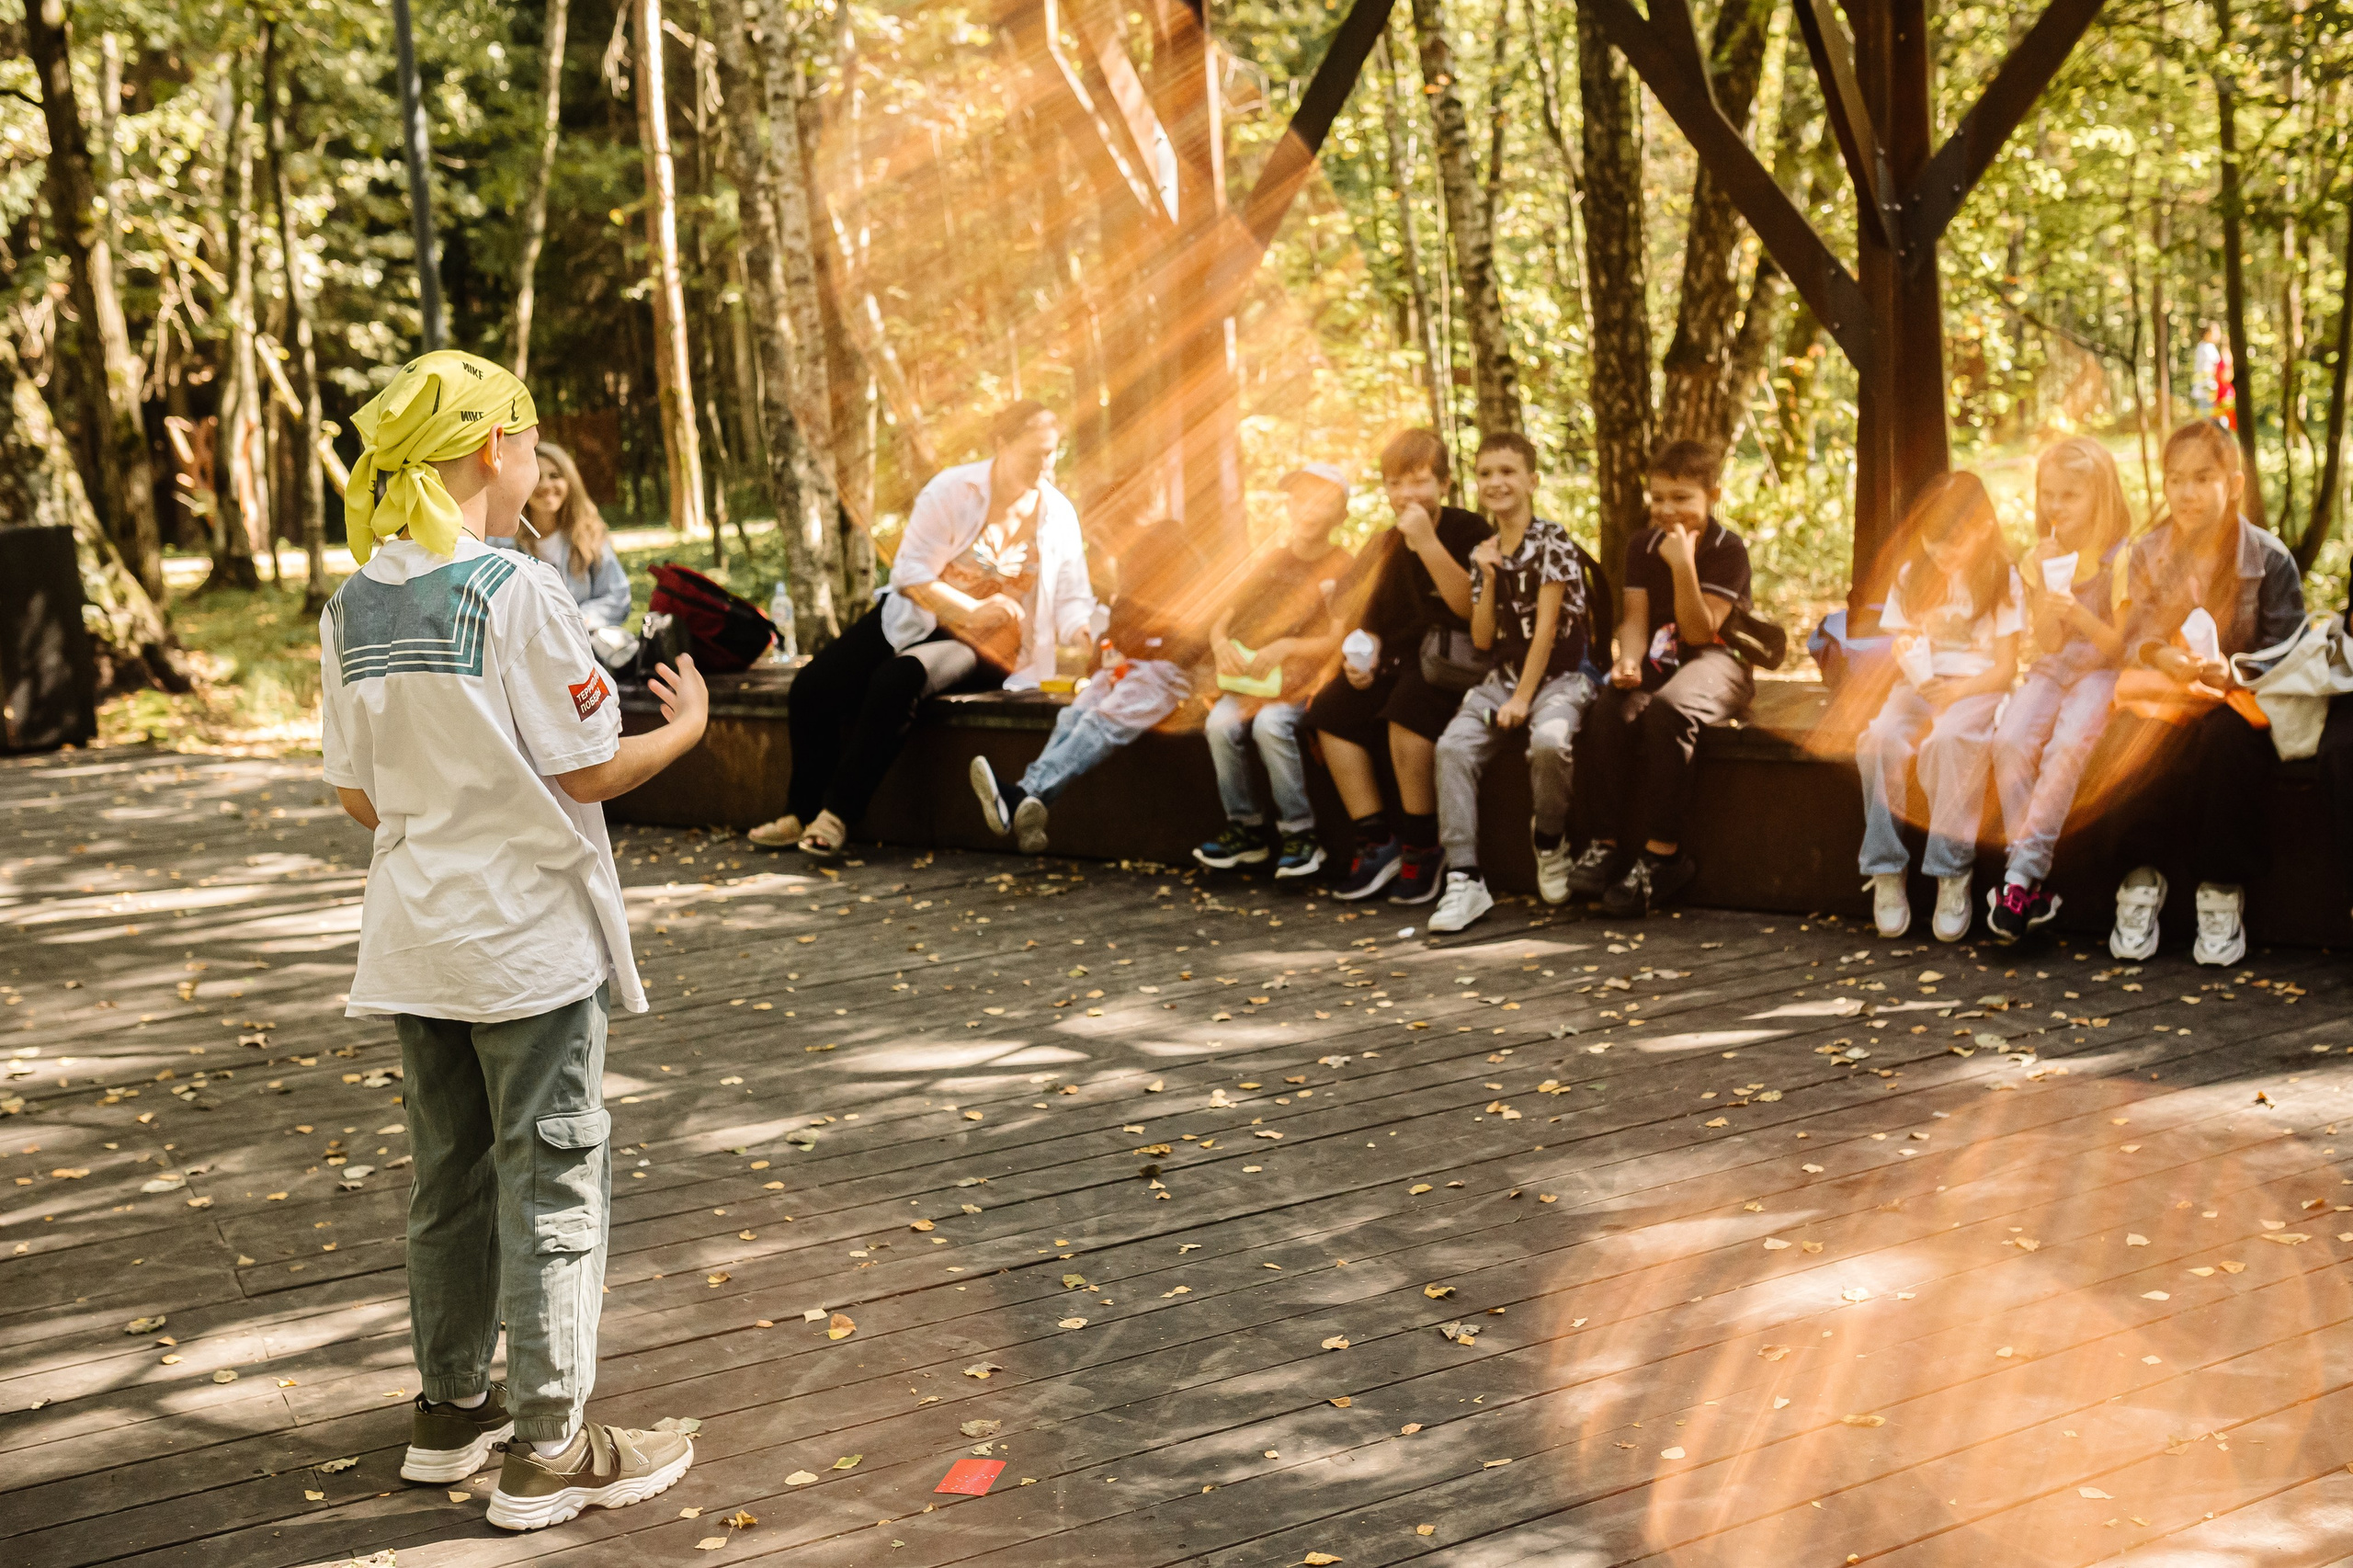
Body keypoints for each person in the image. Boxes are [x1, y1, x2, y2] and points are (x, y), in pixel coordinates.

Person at [318, 351, 707, 1530]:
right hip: (525, 943)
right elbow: (589, 761)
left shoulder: (354, 604)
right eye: (529, 437)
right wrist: (686, 728)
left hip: (417, 936)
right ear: (498, 447)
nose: (535, 460)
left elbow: (358, 796)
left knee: (449, 1175)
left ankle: (451, 1411)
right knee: (552, 1178)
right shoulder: (514, 591)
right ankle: (550, 1444)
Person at [752, 402, 1094, 857]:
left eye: (1053, 453)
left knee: (899, 679)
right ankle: (799, 811)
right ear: (1001, 445)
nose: (1047, 465)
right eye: (1036, 454)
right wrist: (971, 607)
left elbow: (1073, 599)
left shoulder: (1058, 515)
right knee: (812, 686)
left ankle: (836, 816)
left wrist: (1090, 635)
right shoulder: (954, 490)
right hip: (915, 616)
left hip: (991, 644)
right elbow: (911, 575)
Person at [2098, 419, 2303, 964]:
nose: (2186, 493)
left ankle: (2220, 890)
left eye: (2202, 479)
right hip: (2170, 694)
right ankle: (2139, 879)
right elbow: (2135, 632)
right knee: (2130, 736)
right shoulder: (2148, 554)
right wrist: (2162, 656)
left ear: (2233, 484)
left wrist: (2232, 670)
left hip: (2236, 701)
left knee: (2227, 746)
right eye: (2175, 480)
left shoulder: (2270, 559)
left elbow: (2287, 648)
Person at [1567, 438, 1755, 917]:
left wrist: (1683, 565)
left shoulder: (1727, 549)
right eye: (1659, 499)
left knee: (1669, 711)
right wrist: (1627, 661)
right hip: (1660, 656)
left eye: (1683, 499)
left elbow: (1699, 629)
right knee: (1609, 707)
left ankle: (1663, 855)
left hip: (1719, 661)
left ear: (1713, 495)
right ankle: (1606, 842)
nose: (1669, 510)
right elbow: (1635, 618)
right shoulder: (1640, 544)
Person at [1428, 432, 1602, 934]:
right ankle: (1464, 877)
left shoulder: (1553, 541)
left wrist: (1524, 699)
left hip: (1562, 677)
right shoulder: (1484, 549)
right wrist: (1484, 577)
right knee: (1452, 749)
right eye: (1485, 473)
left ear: (1532, 480)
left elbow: (1547, 629)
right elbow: (1482, 640)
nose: (1496, 482)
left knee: (1548, 742)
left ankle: (1550, 842)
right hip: (1503, 676)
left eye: (1507, 471)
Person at [1305, 429, 1489, 903]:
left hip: (1453, 666)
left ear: (1445, 484)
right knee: (1329, 710)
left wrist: (1427, 543)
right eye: (1394, 484)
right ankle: (1376, 841)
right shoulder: (1383, 543)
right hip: (1398, 663)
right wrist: (1358, 657)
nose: (1406, 494)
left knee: (1409, 705)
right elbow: (1367, 619)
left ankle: (1423, 845)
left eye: (1419, 481)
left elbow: (1471, 610)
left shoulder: (1470, 531)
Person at [971, 516, 1210, 853]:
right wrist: (1108, 657)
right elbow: (1114, 635)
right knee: (1073, 716)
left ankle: (1021, 794)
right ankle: (1028, 805)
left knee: (1100, 721)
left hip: (1164, 675)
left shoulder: (1193, 584)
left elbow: (1188, 648)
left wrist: (1140, 655)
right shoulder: (1134, 584)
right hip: (1125, 671)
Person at [1858, 472, 2023, 943]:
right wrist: (1912, 662)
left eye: (1955, 542)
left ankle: (1952, 871)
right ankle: (1886, 867)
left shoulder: (2001, 578)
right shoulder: (1913, 576)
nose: (1943, 554)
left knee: (1949, 742)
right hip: (1920, 684)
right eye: (1934, 541)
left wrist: (1954, 693)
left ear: (1984, 528)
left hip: (1978, 686)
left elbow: (2006, 668)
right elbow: (1900, 641)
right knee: (1878, 741)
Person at [1984, 437, 2132, 941]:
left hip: (2101, 670)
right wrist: (2048, 604)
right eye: (2048, 494)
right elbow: (2045, 643)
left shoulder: (2121, 557)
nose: (2055, 506)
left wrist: (2081, 615)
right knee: (2008, 741)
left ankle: (2020, 877)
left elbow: (2121, 646)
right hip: (2052, 667)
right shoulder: (2037, 558)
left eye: (2070, 495)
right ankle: (2029, 882)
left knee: (2068, 745)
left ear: (2100, 496)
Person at [1193, 463, 1355, 878]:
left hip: (1303, 685)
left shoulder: (1342, 565)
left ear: (1340, 512)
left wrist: (1287, 646)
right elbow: (1221, 621)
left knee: (1270, 725)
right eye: (1300, 499)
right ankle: (1245, 829)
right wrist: (1221, 645)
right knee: (1219, 724)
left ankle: (1301, 834)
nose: (1308, 510)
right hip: (1251, 680)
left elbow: (1337, 637)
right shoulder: (1270, 561)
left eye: (1321, 502)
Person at [504, 440, 634, 670]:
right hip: (528, 659)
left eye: (555, 475)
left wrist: (580, 619)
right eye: (536, 476)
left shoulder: (589, 533)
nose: (545, 485)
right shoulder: (503, 542)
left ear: (569, 481)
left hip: (587, 657)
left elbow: (618, 595)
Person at [2191, 323, 2223, 423]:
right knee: (2209, 418)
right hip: (2208, 388)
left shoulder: (2201, 346)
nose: (2219, 334)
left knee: (2206, 416)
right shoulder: (2208, 348)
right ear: (2207, 334)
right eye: (2216, 332)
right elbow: (2217, 368)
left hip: (2203, 388)